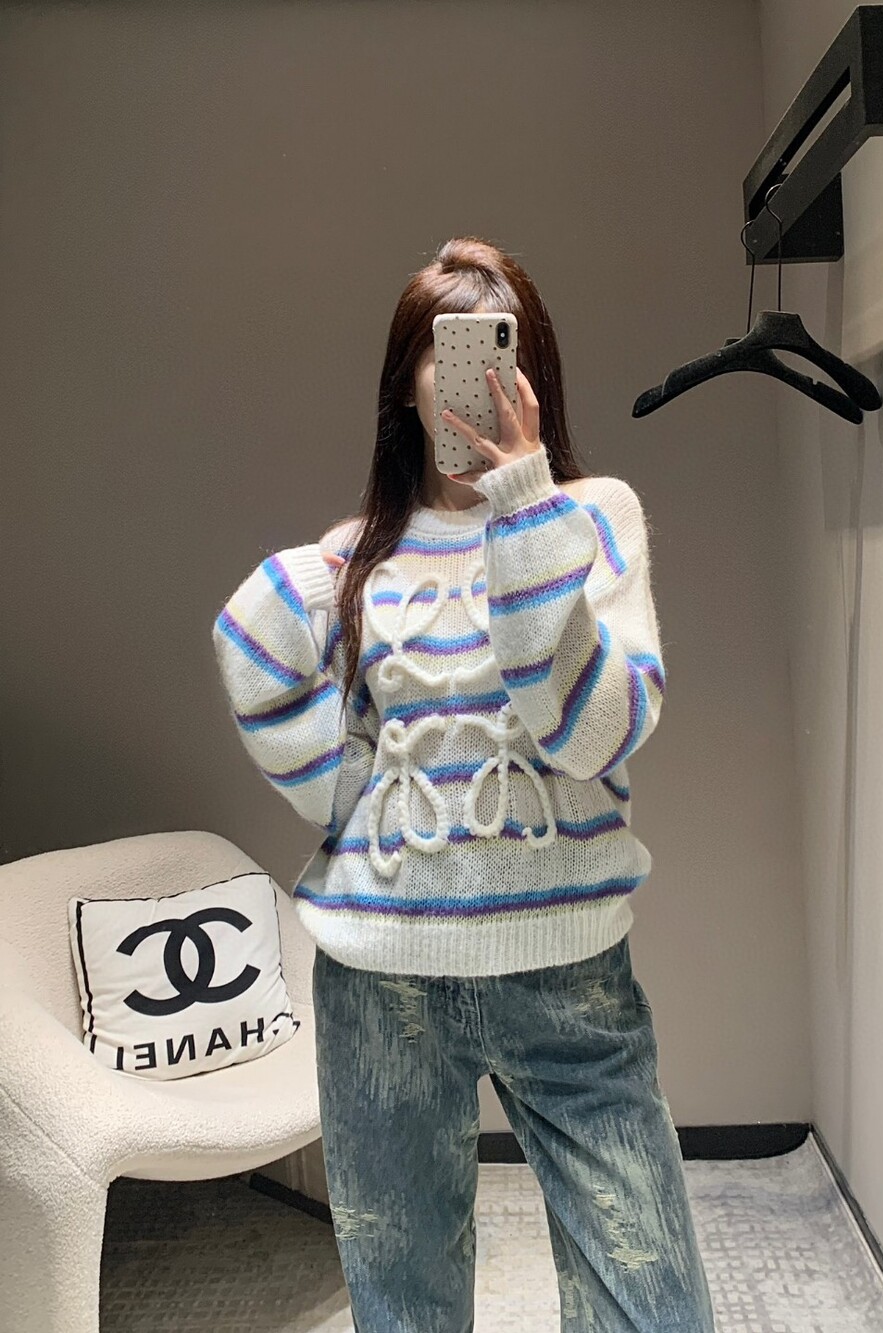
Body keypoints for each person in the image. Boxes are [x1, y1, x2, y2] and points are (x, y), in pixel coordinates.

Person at [212, 236, 716, 1333]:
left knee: (653, 1306)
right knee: (405, 1306)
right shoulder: (356, 556)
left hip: (568, 971)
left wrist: (522, 502)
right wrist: (339, 780)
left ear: (532, 376)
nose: (474, 383)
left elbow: (589, 735)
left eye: (499, 353)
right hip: (379, 979)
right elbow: (262, 670)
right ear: (407, 382)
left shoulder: (593, 520)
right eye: (447, 356)